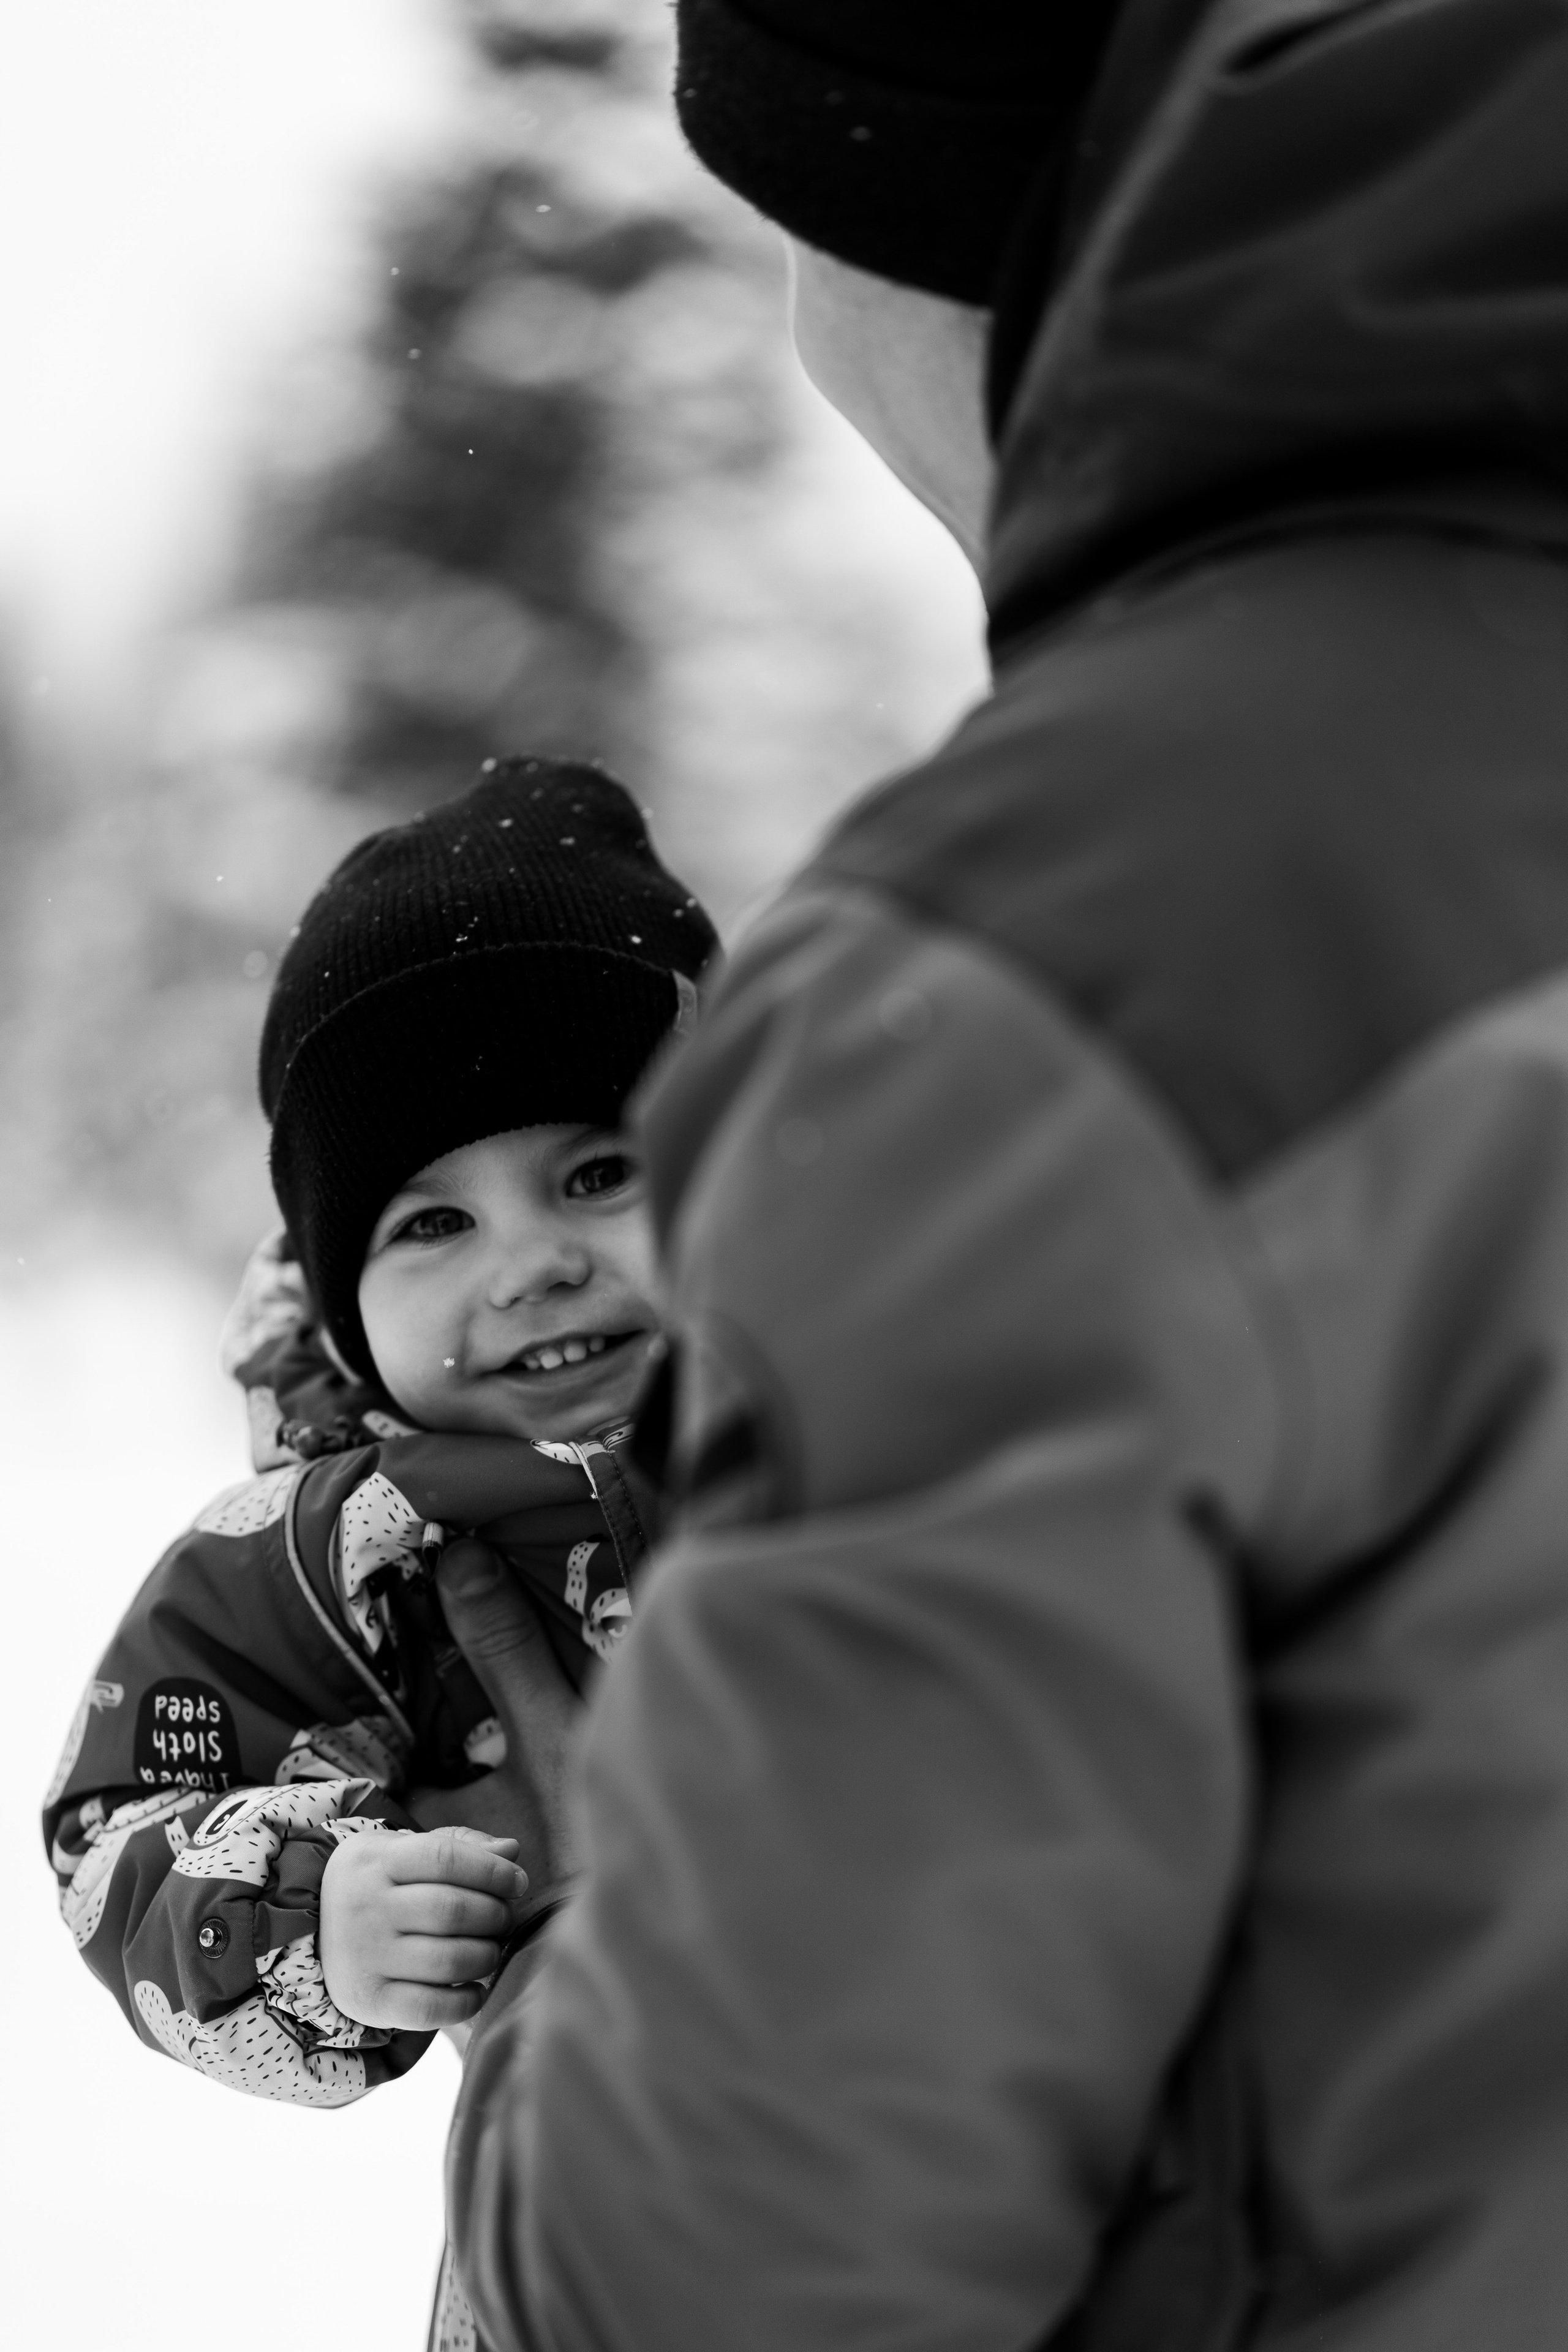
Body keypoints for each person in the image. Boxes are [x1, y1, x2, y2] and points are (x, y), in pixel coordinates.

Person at [435, 1, 1568, 2347]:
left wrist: (570, 1990)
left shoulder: (1080, 954)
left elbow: (736, 2273)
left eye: (797, 235)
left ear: (976, 245)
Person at [42, 760, 715, 2335]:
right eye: (430, 1224)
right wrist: (307, 1914)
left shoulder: (900, 1415)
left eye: (599, 1173)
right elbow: (119, 1821)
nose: (535, 1263)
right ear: (344, 1304)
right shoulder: (330, 1558)